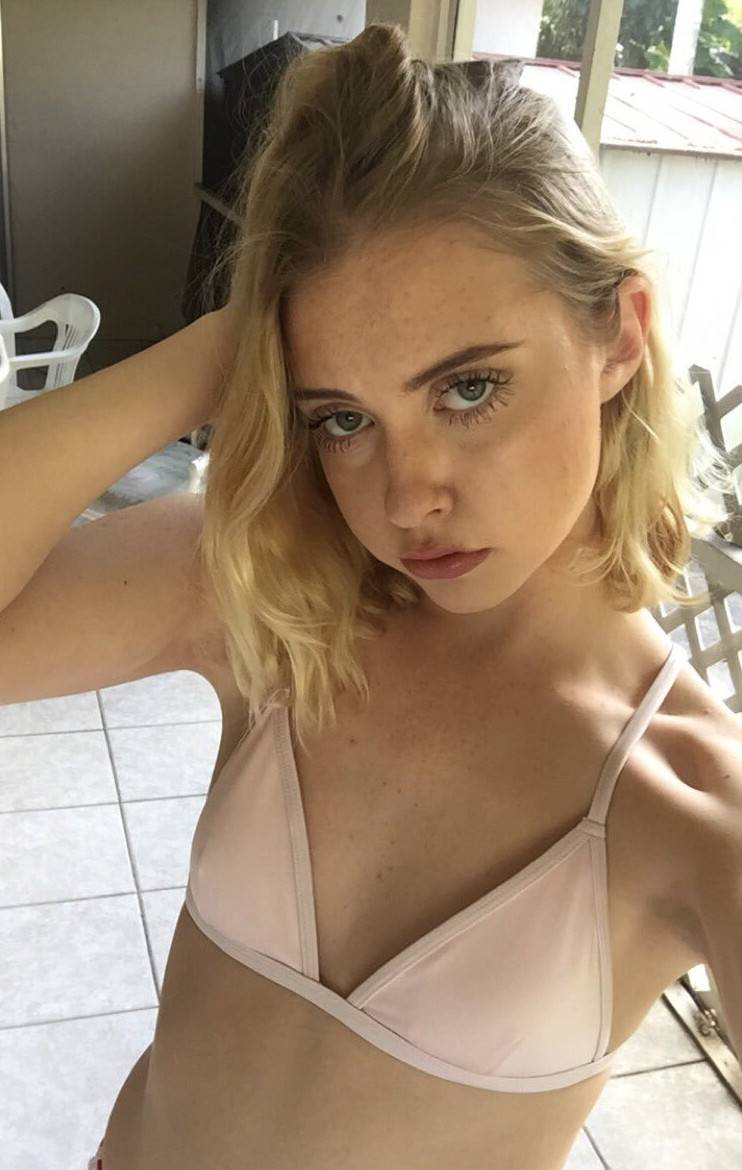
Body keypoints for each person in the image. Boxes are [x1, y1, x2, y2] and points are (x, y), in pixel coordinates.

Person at [1, 21, 738, 1170]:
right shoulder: (272, 602)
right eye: (341, 416)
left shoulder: (689, 809)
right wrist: (226, 347)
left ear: (617, 336)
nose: (405, 496)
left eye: (468, 389)